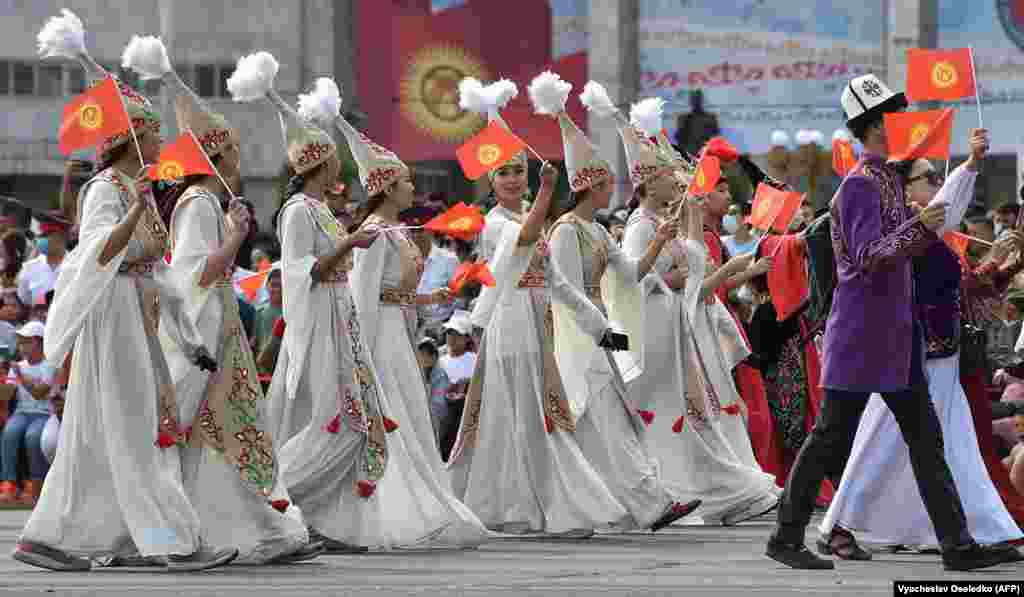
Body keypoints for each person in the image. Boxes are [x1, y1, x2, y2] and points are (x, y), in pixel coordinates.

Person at [765, 74, 1013, 571]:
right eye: (893, 115)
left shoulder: (886, 181)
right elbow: (866, 256)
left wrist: (925, 222)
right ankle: (786, 537)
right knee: (829, 439)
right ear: (876, 124)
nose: (902, 122)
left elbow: (902, 245)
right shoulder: (859, 185)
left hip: (895, 338)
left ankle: (958, 546)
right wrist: (920, 226)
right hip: (862, 337)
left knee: (926, 441)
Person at [16, 28, 234, 571]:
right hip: (113, 315)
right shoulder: (108, 189)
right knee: (137, 428)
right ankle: (168, 540)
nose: (161, 141)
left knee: (113, 431)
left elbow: (157, 271)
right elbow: (94, 253)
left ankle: (58, 537)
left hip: (141, 315)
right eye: (153, 132)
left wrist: (186, 335)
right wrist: (136, 211)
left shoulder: (137, 192)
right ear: (131, 137)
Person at [819, 128, 1024, 554]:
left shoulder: (923, 230)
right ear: (904, 186)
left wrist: (970, 165)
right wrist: (967, 168)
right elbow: (885, 253)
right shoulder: (904, 232)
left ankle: (974, 532)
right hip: (905, 353)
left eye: (935, 178)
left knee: (954, 444)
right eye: (927, 178)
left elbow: (964, 275)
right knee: (877, 440)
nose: (935, 184)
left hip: (939, 353)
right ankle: (837, 524)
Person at [445, 77, 632, 536]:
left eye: (517, 169)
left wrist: (601, 327)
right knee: (531, 417)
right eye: (504, 172)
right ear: (491, 180)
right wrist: (548, 192)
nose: (513, 177)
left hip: (538, 323)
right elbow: (524, 240)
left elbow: (561, 284)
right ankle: (549, 509)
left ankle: (527, 507)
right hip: (511, 324)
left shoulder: (528, 218)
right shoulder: (495, 224)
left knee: (535, 417)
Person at [319, 75, 489, 548]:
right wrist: (362, 356)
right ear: (388, 186)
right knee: (393, 418)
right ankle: (384, 508)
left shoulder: (396, 231)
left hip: (399, 332)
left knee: (411, 419)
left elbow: (393, 293)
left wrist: (429, 301)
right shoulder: (374, 232)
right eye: (406, 179)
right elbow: (362, 296)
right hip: (380, 340)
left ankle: (421, 502)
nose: (412, 184)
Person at [156, 58, 315, 565]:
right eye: (233, 151)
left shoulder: (204, 202)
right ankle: (257, 529)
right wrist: (236, 237)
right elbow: (197, 275)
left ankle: (257, 527)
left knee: (230, 430)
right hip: (210, 333)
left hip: (220, 327)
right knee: (232, 427)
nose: (239, 160)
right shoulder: (200, 204)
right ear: (218, 154)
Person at [544, 78, 700, 532]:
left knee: (609, 424)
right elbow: (567, 291)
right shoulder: (567, 231)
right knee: (606, 423)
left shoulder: (596, 231)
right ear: (589, 186)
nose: (613, 188)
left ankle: (614, 504)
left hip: (600, 334)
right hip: (581, 337)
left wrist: (662, 242)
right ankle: (648, 504)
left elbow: (631, 273)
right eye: (606, 182)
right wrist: (604, 332)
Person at [620, 119, 780, 525]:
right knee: (666, 412)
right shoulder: (640, 228)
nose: (676, 180)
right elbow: (636, 281)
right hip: (653, 328)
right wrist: (670, 277)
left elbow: (692, 268)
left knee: (689, 413)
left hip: (676, 323)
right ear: (647, 183)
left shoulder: (662, 224)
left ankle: (715, 491)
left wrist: (689, 221)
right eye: (666, 175)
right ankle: (673, 492)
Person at [0, 321, 54, 505]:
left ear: (38, 342)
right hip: (22, 413)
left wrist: (21, 377)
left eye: (26, 342)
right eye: (20, 342)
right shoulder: (19, 366)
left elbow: (40, 394)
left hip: (44, 414)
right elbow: (8, 393)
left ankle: (34, 484)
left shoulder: (49, 366)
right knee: (10, 432)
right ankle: (9, 483)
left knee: (33, 436)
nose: (21, 346)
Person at [415, 337, 449, 448]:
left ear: (433, 356)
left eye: (423, 355)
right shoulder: (424, 371)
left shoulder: (440, 375)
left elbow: (439, 404)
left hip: (436, 420)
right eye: (419, 354)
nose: (420, 358)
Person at [674, 89, 719, 158]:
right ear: (691, 101)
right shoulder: (683, 118)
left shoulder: (711, 118)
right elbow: (678, 137)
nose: (696, 101)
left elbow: (715, 136)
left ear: (701, 100)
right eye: (694, 99)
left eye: (698, 99)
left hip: (706, 154)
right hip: (689, 155)